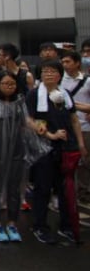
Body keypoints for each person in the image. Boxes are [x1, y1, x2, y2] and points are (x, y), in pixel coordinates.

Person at [26, 59, 87, 244]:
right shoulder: (35, 94)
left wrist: (80, 143)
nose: (49, 74)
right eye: (45, 71)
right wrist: (50, 135)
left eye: (53, 71)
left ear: (60, 75)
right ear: (40, 75)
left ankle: (66, 226)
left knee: (65, 189)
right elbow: (28, 120)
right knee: (43, 188)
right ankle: (39, 226)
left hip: (66, 148)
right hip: (43, 150)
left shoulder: (65, 94)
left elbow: (74, 119)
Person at [0, 70, 32, 242]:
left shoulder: (20, 102)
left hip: (17, 150)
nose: (9, 87)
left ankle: (12, 223)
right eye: (5, 83)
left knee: (14, 189)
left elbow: (26, 124)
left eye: (12, 84)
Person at [61, 51, 90, 205]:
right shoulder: (60, 81)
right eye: (63, 62)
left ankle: (84, 194)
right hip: (65, 127)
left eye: (68, 61)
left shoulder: (87, 81)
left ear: (77, 63)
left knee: (85, 161)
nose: (65, 65)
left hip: (85, 126)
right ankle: (67, 193)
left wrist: (75, 105)